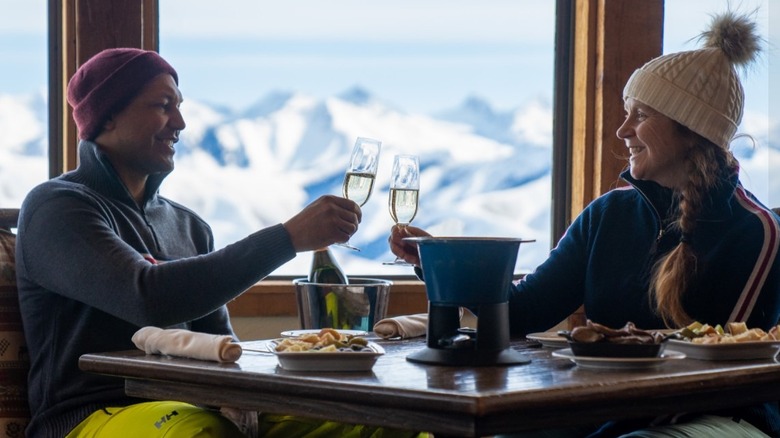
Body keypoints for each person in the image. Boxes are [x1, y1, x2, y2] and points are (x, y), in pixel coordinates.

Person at [390, 10, 780, 438]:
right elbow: (523, 311)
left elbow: (716, 366)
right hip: (611, 408)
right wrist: (440, 262)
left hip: (720, 415)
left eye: (641, 115)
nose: (621, 130)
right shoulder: (607, 216)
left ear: (690, 132)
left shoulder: (757, 233)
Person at [14, 48, 422, 438]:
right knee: (202, 432)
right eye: (162, 105)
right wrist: (288, 239)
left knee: (391, 423)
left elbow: (223, 351)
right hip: (94, 417)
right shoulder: (58, 208)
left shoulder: (189, 226)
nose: (181, 123)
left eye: (179, 106)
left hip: (198, 408)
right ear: (108, 118)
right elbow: (147, 298)